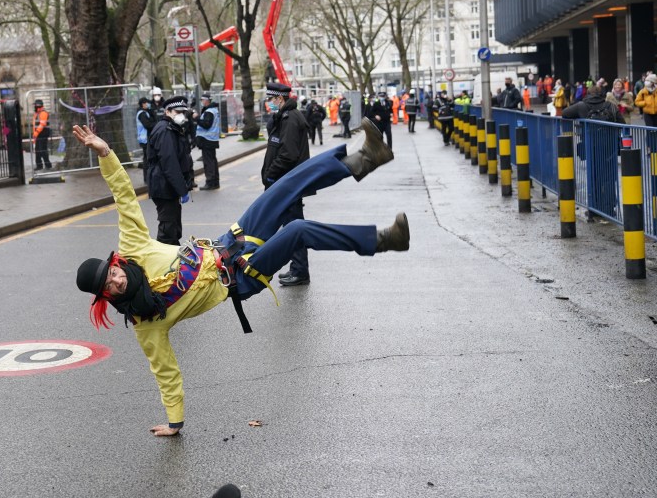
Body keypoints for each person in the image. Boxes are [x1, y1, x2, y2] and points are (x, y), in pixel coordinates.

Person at [71, 116, 407, 436]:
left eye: (112, 274)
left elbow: (124, 198)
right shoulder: (147, 323)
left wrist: (105, 153)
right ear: (107, 298)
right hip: (240, 279)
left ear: (115, 263)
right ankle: (385, 240)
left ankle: (366, 157)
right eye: (109, 288)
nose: (116, 282)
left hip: (228, 243)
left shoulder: (133, 247)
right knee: (298, 230)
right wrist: (175, 422)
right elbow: (165, 372)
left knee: (282, 187)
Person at [262, 81, 312, 287]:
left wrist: (271, 175)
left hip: (288, 183)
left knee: (293, 226)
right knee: (291, 226)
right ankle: (297, 268)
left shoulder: (290, 119)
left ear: (280, 99)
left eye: (271, 100)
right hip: (287, 182)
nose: (269, 103)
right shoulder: (284, 117)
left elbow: (288, 154)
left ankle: (300, 271)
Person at [562, 85, 619, 216]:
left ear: (588, 94)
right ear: (602, 94)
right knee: (609, 178)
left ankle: (594, 209)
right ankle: (609, 208)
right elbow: (622, 123)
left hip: (591, 146)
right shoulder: (610, 106)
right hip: (609, 146)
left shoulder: (581, 106)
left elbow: (565, 113)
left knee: (594, 176)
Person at [146, 95, 194, 245]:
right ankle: (165, 264)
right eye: (177, 111)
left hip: (167, 186)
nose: (180, 115)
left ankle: (172, 259)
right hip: (164, 187)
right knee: (168, 230)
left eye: (183, 112)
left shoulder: (173, 128)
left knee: (173, 228)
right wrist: (182, 189)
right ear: (167, 111)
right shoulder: (165, 130)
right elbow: (170, 163)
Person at [195, 94, 221, 190]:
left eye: (203, 100)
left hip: (207, 139)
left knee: (208, 162)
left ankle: (210, 182)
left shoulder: (209, 111)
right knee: (213, 161)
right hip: (212, 139)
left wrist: (196, 118)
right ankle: (215, 182)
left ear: (207, 101)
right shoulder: (214, 110)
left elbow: (206, 125)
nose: (202, 101)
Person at [136, 97, 156, 184]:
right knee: (147, 159)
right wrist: (156, 124)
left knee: (148, 158)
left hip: (146, 139)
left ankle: (149, 178)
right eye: (146, 103)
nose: (148, 104)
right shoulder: (142, 114)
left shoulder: (145, 112)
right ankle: (147, 178)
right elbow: (148, 125)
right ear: (143, 104)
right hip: (145, 139)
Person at [32, 99, 52, 170]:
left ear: (38, 106)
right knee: (38, 150)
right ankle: (39, 165)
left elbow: (42, 124)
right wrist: (35, 134)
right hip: (38, 134)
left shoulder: (43, 113)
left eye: (35, 105)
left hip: (43, 134)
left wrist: (36, 133)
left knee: (42, 150)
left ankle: (48, 165)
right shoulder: (37, 113)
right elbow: (35, 125)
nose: (34, 107)